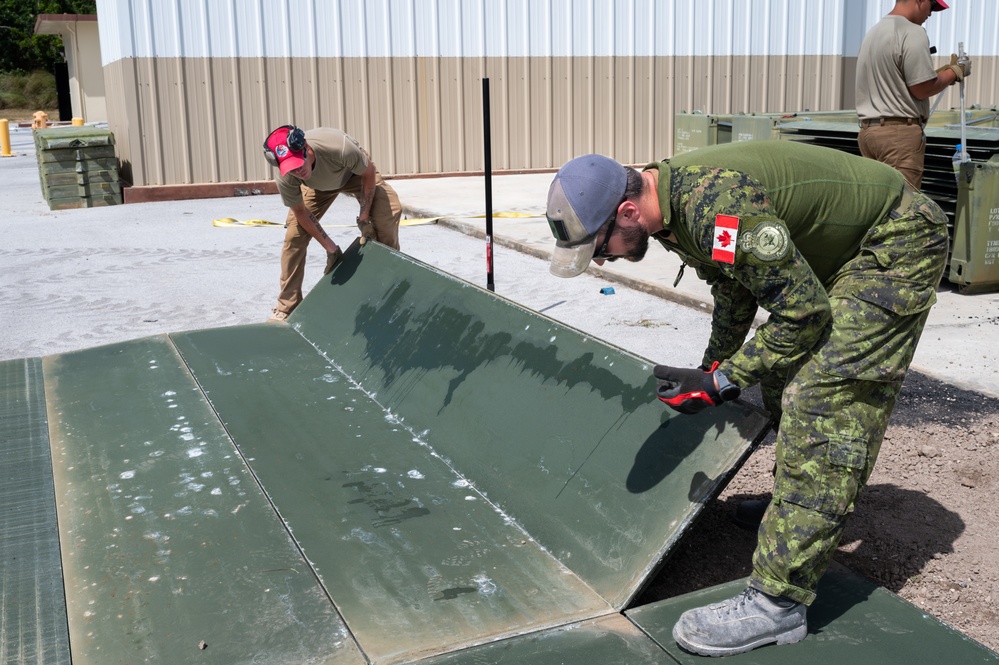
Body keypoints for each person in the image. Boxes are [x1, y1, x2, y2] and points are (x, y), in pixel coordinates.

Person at [544, 141, 949, 657]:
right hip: (848, 249)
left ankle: (777, 604)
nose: (603, 260)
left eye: (601, 247)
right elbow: (736, 287)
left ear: (626, 212)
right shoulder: (666, 212)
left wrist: (725, 382)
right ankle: (795, 512)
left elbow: (803, 314)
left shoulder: (714, 205)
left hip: (897, 241)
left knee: (819, 397)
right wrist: (712, 367)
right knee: (780, 374)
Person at [263, 125, 402, 321]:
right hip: (316, 186)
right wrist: (330, 248)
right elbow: (301, 211)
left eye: (298, 164)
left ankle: (388, 285)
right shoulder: (287, 176)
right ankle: (287, 307)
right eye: (290, 169)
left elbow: (368, 173)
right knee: (294, 237)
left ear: (305, 148)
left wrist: (364, 217)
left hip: (354, 176)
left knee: (388, 213)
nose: (296, 171)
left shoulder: (338, 147)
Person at [855, 0, 971, 188]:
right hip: (898, 135)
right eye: (932, 6)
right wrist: (955, 71)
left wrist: (941, 73)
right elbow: (921, 89)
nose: (931, 14)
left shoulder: (875, 32)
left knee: (877, 205)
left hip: (869, 132)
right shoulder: (912, 32)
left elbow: (896, 79)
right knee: (902, 205)